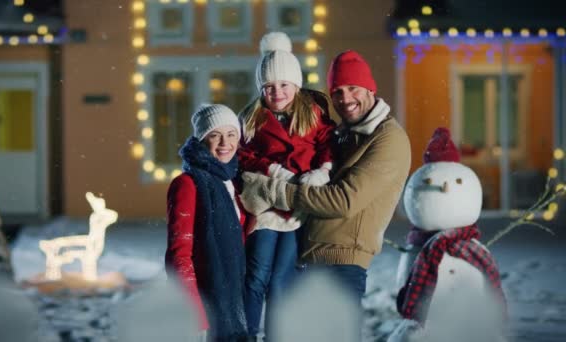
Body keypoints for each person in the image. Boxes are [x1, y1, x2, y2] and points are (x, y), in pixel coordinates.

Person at [240, 49, 412, 317]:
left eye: (353, 88)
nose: (345, 99)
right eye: (337, 92)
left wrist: (278, 191)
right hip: (309, 258)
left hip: (342, 264)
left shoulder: (387, 138)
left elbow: (343, 201)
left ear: (370, 89)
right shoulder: (342, 132)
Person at [237, 32, 336, 339]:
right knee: (257, 275)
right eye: (269, 86)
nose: (276, 92)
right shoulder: (252, 117)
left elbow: (327, 144)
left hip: (299, 206)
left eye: (283, 84)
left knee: (282, 278)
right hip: (267, 204)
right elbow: (243, 154)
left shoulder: (313, 113)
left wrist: (323, 170)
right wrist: (272, 168)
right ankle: (248, 334)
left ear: (296, 84)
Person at [165, 104, 248, 341]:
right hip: (206, 304)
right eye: (215, 135)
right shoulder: (188, 184)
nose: (225, 143)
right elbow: (179, 255)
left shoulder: (232, 181)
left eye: (231, 134)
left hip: (232, 300)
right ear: (202, 140)